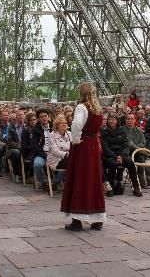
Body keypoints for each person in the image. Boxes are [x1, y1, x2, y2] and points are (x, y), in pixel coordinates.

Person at [61, 83, 107, 231]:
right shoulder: (97, 109)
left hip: (83, 146)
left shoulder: (81, 107)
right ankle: (97, 219)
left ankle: (77, 220)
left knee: (80, 179)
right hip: (93, 145)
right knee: (93, 179)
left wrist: (75, 140)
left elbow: (76, 125)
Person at [46, 115, 71, 190]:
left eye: (65, 123)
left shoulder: (69, 134)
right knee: (73, 163)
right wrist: (66, 154)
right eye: (61, 123)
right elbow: (54, 151)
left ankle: (55, 183)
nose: (64, 124)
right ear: (56, 125)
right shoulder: (52, 135)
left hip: (69, 157)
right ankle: (56, 182)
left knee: (79, 162)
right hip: (56, 159)